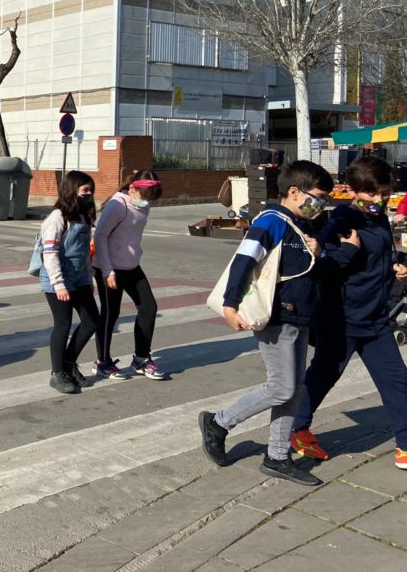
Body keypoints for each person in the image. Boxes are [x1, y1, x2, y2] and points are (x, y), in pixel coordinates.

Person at [198, 160, 333, 486]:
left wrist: (320, 250)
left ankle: (277, 456)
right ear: (294, 192)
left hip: (299, 317)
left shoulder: (302, 225)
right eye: (317, 197)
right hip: (277, 317)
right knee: (282, 387)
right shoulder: (271, 221)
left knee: (292, 390)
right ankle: (219, 422)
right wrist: (230, 305)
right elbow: (244, 260)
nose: (321, 204)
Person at [290, 156, 407, 470]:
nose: (379, 200)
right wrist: (348, 250)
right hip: (343, 318)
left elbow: (379, 255)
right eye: (372, 193)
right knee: (324, 375)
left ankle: (405, 444)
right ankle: (296, 428)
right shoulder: (342, 220)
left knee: (396, 379)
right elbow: (322, 263)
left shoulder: (378, 217)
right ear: (353, 190)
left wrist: (395, 266)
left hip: (376, 317)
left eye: (384, 193)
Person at [91, 169, 165, 380]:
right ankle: (102, 362)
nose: (146, 202)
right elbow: (100, 236)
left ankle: (141, 358)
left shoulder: (144, 204)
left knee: (149, 308)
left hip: (132, 266)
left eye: (150, 199)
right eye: (144, 197)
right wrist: (108, 271)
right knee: (110, 314)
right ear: (132, 188)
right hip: (109, 267)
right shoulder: (118, 205)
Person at [38, 171, 101, 394]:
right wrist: (59, 284)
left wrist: (88, 277)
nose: (89, 195)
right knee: (63, 325)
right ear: (71, 191)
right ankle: (57, 373)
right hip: (57, 279)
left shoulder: (83, 217)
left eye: (91, 190)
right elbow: (50, 253)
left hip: (79, 278)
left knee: (92, 321)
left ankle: (68, 363)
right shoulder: (57, 217)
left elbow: (85, 252)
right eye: (85, 190)